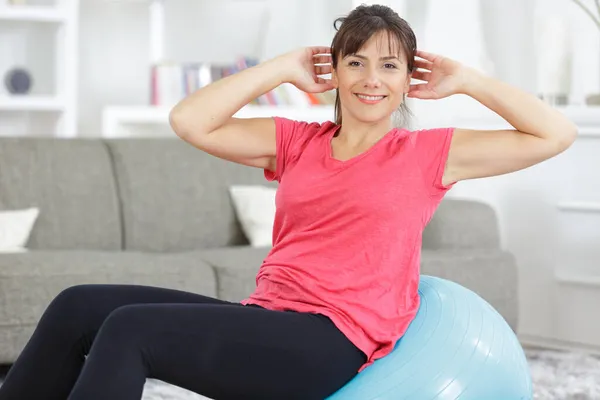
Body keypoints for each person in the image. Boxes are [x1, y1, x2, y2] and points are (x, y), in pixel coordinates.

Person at [0, 4, 577, 400]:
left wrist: (469, 81)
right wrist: (281, 68)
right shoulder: (297, 142)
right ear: (335, 71)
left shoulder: (427, 155)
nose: (370, 78)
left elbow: (555, 134)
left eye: (388, 65)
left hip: (329, 343)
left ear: (408, 82)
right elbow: (189, 119)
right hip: (267, 320)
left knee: (129, 331)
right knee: (78, 306)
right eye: (355, 61)